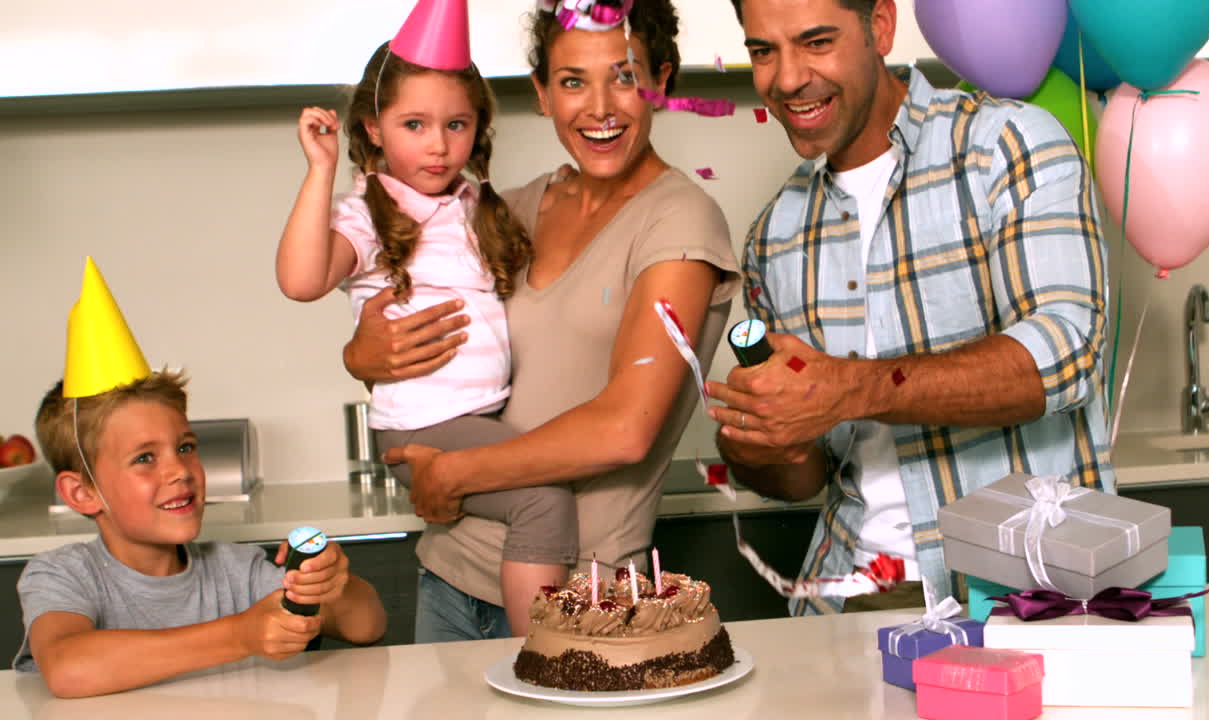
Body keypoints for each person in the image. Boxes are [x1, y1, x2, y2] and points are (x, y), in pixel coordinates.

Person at [343, 0, 740, 642]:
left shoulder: (680, 220)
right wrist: (361, 356)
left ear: (661, 81)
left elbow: (625, 430)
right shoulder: (509, 210)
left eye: (625, 77)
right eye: (573, 81)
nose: (600, 108)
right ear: (542, 93)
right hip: (448, 576)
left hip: (583, 592)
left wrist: (455, 474)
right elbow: (435, 365)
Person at [709, 0, 1113, 615]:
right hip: (850, 602)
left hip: (1023, 595)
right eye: (764, 51)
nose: (787, 78)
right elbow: (807, 477)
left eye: (817, 42)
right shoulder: (774, 237)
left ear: (880, 26)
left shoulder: (1008, 145)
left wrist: (849, 388)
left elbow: (1067, 352)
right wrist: (757, 446)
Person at [276, 31, 575, 636]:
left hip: (473, 417)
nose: (439, 145)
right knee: (544, 500)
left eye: (456, 125)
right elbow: (301, 281)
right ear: (373, 128)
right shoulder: (369, 212)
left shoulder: (473, 204)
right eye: (414, 124)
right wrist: (321, 170)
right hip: (423, 426)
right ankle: (543, 658)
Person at [14, 262, 386, 697]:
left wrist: (334, 584)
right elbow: (68, 669)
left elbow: (368, 625)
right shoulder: (63, 575)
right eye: (145, 457)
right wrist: (239, 635)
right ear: (83, 493)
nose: (179, 469)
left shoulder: (235, 571)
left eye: (185, 447)